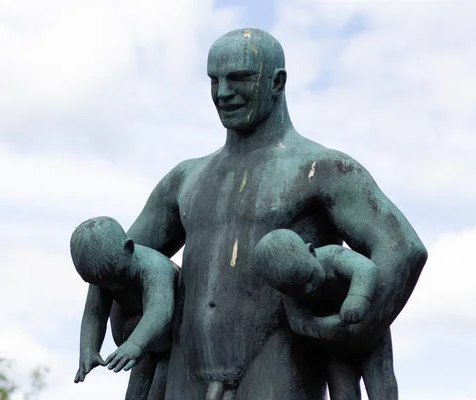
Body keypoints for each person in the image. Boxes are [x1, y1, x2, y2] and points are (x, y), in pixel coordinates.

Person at [126, 28, 428, 399]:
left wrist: (356, 326)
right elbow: (124, 255)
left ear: (277, 82)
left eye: (239, 78)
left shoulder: (322, 168)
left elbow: (402, 248)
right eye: (214, 80)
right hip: (188, 369)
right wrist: (132, 316)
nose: (222, 92)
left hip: (280, 366)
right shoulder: (185, 178)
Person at [253, 228, 398, 399]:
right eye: (298, 290)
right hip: (336, 345)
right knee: (342, 392)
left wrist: (357, 298)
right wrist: (325, 328)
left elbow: (365, 269)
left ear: (311, 251)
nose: (308, 289)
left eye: (309, 277)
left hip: (369, 332)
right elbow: (298, 322)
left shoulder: (333, 256)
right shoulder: (289, 293)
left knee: (381, 382)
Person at [70, 216, 178, 400]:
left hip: (172, 340)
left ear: (128, 249)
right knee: (136, 391)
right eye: (104, 284)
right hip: (139, 341)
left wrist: (134, 345)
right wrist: (89, 350)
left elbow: (160, 310)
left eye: (117, 277)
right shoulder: (103, 275)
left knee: (161, 388)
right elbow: (94, 314)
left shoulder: (155, 267)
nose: (113, 287)